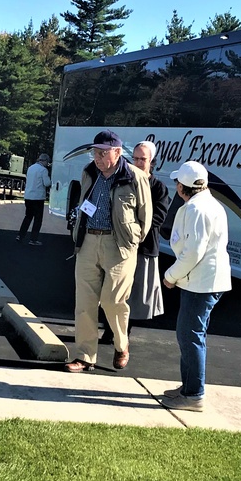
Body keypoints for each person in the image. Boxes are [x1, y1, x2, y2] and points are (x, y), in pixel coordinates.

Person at [65, 129, 152, 373]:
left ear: (117, 152)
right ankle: (84, 356)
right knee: (85, 302)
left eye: (102, 153)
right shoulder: (89, 172)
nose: (97, 157)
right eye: (95, 152)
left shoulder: (134, 176)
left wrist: (132, 240)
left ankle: (121, 344)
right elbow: (84, 204)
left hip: (119, 245)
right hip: (89, 242)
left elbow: (146, 217)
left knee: (113, 301)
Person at [160, 160, 231, 412]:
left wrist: (170, 275)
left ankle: (193, 394)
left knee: (190, 336)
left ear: (182, 187)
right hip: (204, 280)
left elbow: (193, 252)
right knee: (191, 335)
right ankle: (189, 387)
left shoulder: (195, 210)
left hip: (201, 282)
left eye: (178, 182)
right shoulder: (208, 204)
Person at [101, 140, 170, 343]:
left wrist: (132, 232)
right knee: (112, 291)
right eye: (136, 158)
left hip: (142, 248)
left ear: (152, 161)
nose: (139, 163)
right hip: (117, 245)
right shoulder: (121, 180)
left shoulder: (158, 188)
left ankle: (122, 334)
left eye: (143, 159)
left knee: (132, 295)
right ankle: (109, 329)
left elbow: (159, 217)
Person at [16, 153, 52, 245]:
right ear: (44, 161)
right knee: (37, 219)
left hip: (28, 196)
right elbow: (47, 183)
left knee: (27, 217)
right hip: (38, 197)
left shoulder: (31, 168)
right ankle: (33, 239)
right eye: (47, 162)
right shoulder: (43, 170)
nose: (47, 164)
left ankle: (20, 235)